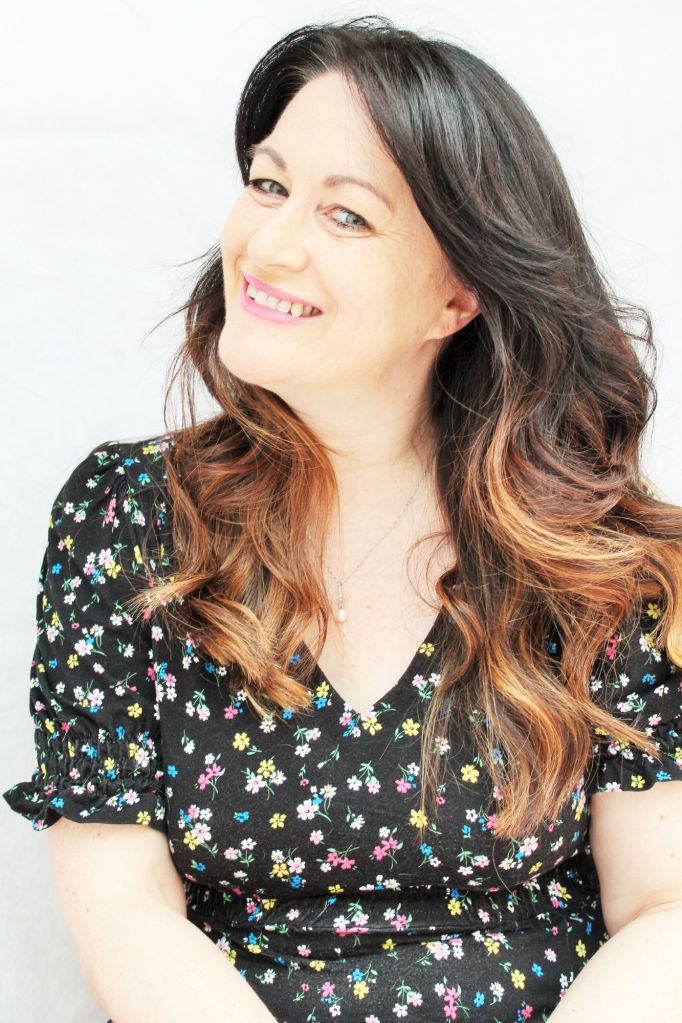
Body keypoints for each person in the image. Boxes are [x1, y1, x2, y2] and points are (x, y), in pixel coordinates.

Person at [4, 14, 682, 1023]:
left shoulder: (598, 559)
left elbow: (664, 909)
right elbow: (123, 912)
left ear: (457, 297)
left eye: (347, 216)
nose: (268, 245)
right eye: (268, 184)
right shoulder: (128, 518)